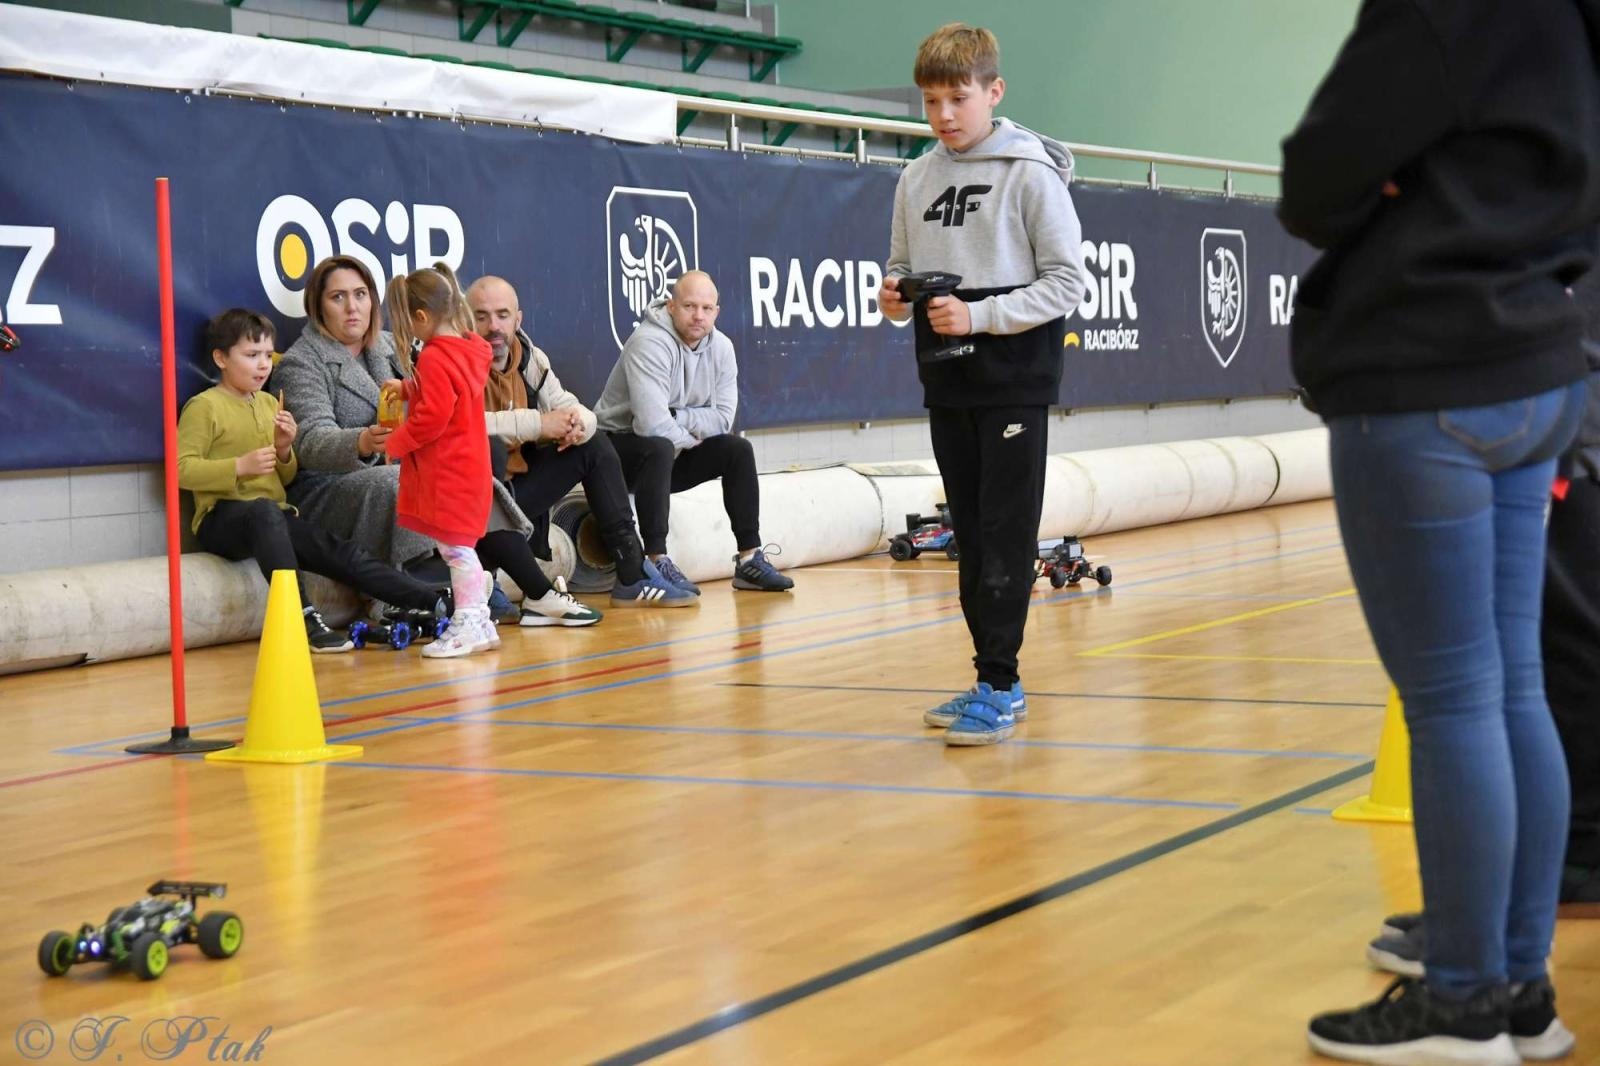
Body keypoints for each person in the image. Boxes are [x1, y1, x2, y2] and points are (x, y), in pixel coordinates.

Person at [1279, 1, 1600, 1062]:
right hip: (1538, 361)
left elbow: (1315, 179)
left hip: (1426, 373)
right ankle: (1517, 993)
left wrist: (1394, 188)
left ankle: (1460, 1001)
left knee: (1457, 696)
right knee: (1510, 686)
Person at [877, 23, 1085, 747]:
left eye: (957, 99)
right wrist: (896, 295)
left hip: (1015, 379)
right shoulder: (914, 177)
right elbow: (900, 264)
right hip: (947, 379)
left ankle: (999, 680)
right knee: (969, 532)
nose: (942, 116)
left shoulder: (1030, 175)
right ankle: (995, 679)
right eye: (930, 101)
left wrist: (982, 313)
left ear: (993, 92)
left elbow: (1067, 281)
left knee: (1005, 532)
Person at [271, 255, 599, 628]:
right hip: (332, 486)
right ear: (317, 306)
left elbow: (434, 395)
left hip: (404, 457)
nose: (352, 306)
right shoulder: (301, 362)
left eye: (360, 294)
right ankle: (423, 597)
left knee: (470, 473)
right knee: (407, 483)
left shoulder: (390, 345)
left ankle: (534, 591)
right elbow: (308, 443)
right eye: (338, 297)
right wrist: (363, 441)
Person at [177, 308, 446, 654]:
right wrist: (238, 467)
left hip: (274, 515)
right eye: (251, 355)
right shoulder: (204, 407)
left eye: (266, 355)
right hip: (222, 518)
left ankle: (435, 600)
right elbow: (182, 470)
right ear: (221, 358)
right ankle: (301, 618)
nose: (263, 365)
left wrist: (285, 450)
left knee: (336, 550)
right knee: (264, 512)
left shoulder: (270, 403)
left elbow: (284, 476)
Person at [466, 276, 691, 608]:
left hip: (517, 494)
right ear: (465, 320)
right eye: (481, 316)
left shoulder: (529, 357)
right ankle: (484, 578)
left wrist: (577, 423)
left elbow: (573, 406)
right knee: (490, 451)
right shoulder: (452, 361)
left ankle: (632, 570)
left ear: (518, 319)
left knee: (594, 445)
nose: (493, 326)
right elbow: (465, 427)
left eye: (502, 315)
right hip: (468, 505)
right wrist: (540, 424)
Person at [594, 270, 793, 596]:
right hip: (617, 455)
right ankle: (656, 559)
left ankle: (749, 559)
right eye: (689, 306)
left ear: (717, 311)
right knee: (657, 446)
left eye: (706, 308)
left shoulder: (723, 348)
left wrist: (680, 417)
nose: (698, 315)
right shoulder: (648, 342)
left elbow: (724, 418)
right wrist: (690, 436)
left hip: (670, 453)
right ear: (671, 306)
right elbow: (649, 426)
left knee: (736, 450)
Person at [379, 264, 497, 658]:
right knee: (461, 545)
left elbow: (433, 417)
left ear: (422, 317)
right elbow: (450, 388)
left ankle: (468, 620)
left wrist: (397, 442)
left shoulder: (432, 357)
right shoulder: (470, 348)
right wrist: (409, 387)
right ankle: (478, 617)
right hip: (471, 465)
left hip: (448, 469)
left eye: (409, 324)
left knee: (455, 549)